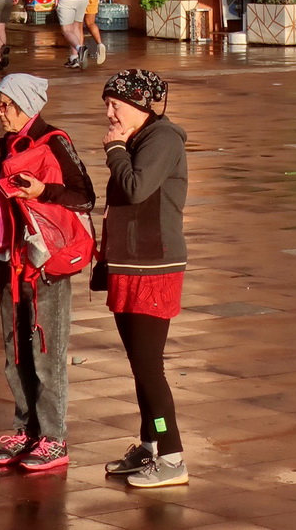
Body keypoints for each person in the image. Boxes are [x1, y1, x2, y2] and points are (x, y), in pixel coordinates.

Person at [0, 73, 95, 473]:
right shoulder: (8, 144)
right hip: (12, 259)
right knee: (15, 353)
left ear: (26, 105)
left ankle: (53, 437)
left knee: (46, 352)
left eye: (5, 105)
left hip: (48, 262)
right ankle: (26, 429)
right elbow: (3, 210)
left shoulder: (55, 140)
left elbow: (86, 196)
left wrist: (42, 192)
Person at [96, 69, 189, 489]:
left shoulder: (163, 139)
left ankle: (172, 456)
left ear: (140, 105)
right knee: (138, 365)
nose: (109, 114)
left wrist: (114, 150)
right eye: (107, 106)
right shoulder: (137, 139)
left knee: (149, 367)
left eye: (115, 106)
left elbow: (135, 188)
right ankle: (149, 446)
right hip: (127, 264)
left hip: (154, 266)